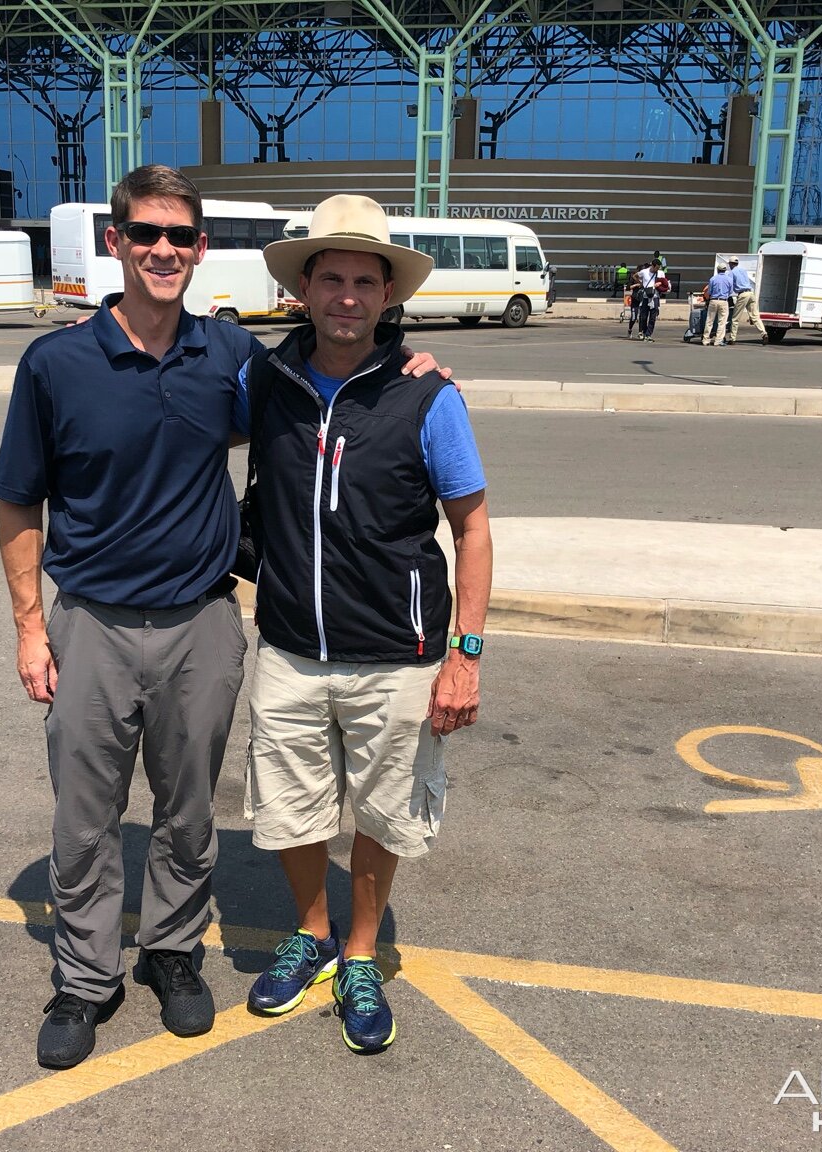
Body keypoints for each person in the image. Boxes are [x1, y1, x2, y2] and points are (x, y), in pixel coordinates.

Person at [0, 166, 444, 1072]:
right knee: (85, 813)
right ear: (115, 241)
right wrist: (30, 628)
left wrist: (411, 366)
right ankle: (84, 978)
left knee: (188, 807)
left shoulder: (228, 356)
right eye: (145, 233)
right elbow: (17, 504)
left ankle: (171, 948)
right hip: (91, 619)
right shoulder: (56, 362)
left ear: (201, 249)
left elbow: (330, 374)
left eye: (181, 237)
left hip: (201, 620)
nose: (163, 250)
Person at [241, 195, 493, 1056]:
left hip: (399, 654)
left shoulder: (428, 398)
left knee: (383, 815)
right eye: (331, 279)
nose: (346, 296)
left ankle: (358, 952)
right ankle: (311, 930)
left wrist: (466, 654)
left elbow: (473, 528)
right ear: (302, 289)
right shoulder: (262, 382)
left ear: (388, 298)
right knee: (294, 810)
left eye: (364, 282)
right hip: (289, 647)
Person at [726, 257, 764, 345]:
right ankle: (764, 333)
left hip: (742, 294)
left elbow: (730, 285)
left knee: (735, 318)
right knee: (755, 316)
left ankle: (732, 339)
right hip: (750, 293)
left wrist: (727, 294)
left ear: (731, 264)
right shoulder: (743, 270)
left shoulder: (731, 273)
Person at [701, 264, 733, 346]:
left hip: (713, 300)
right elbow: (730, 291)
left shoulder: (713, 279)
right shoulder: (729, 279)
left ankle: (705, 340)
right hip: (724, 301)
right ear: (725, 270)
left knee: (709, 321)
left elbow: (709, 291)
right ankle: (718, 340)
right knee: (722, 322)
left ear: (718, 270)